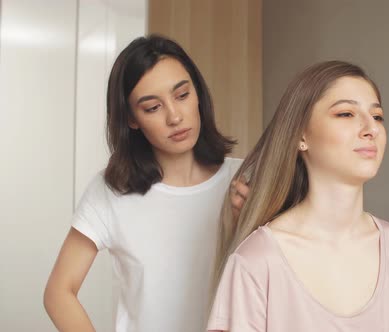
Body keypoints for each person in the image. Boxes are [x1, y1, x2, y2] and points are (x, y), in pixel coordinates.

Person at [208, 60, 389, 331]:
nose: (371, 128)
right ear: (300, 136)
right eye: (345, 114)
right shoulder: (256, 262)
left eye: (377, 116)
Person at [43, 35, 248, 332]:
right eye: (153, 107)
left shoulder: (243, 181)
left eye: (182, 95)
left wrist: (250, 225)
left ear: (198, 94)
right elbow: (58, 293)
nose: (175, 116)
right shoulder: (112, 191)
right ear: (131, 119)